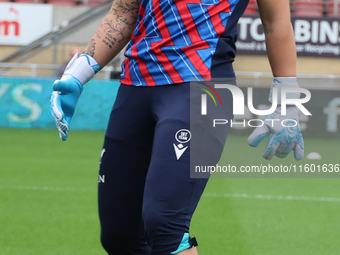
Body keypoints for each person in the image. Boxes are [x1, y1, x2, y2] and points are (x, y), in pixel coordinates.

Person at [50, 0, 304, 254]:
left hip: (201, 87)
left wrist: (287, 100)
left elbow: (276, 21)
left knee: (165, 224)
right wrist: (79, 72)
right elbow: (123, 11)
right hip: (135, 86)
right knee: (120, 237)